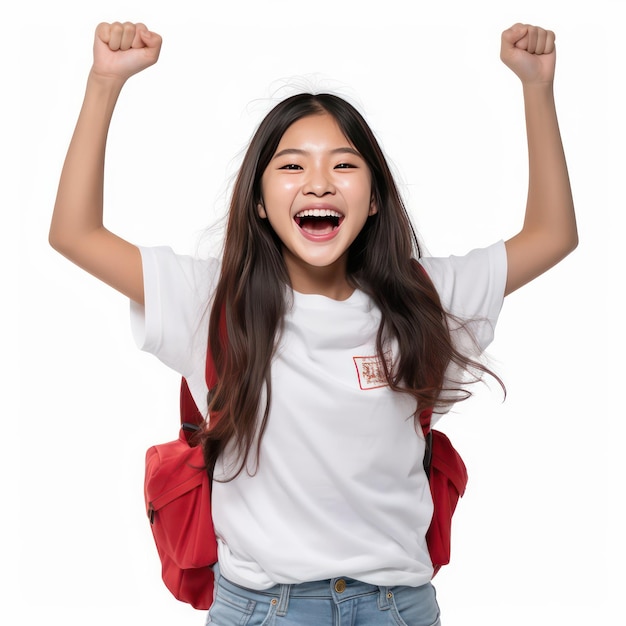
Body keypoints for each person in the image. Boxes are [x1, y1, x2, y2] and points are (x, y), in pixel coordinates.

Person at [49, 20, 577, 626]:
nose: (319, 182)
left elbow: (552, 235)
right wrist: (103, 83)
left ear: (374, 197)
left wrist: (538, 89)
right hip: (263, 609)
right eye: (292, 167)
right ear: (259, 199)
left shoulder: (425, 297)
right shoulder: (209, 299)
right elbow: (75, 233)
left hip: (397, 607)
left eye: (344, 165)